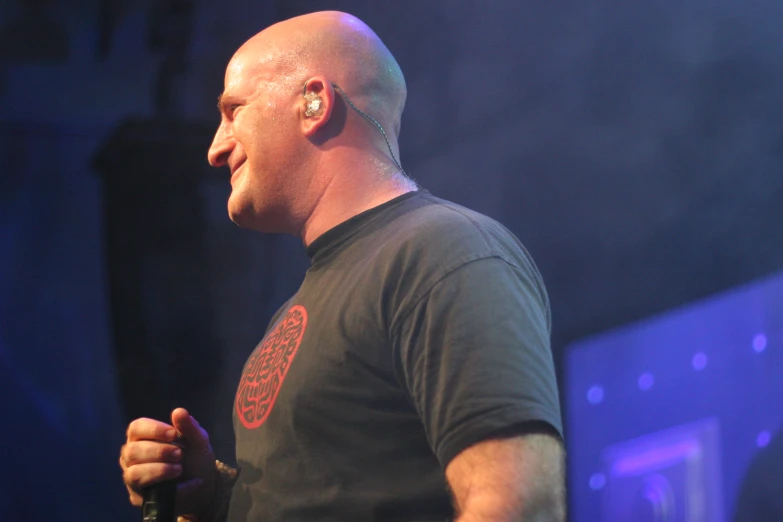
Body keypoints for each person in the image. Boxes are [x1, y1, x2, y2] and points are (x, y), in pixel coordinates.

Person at [119, 10, 565, 522]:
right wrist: (213, 497)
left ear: (314, 102)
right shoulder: (304, 300)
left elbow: (518, 505)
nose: (216, 149)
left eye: (233, 111)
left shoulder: (444, 252)